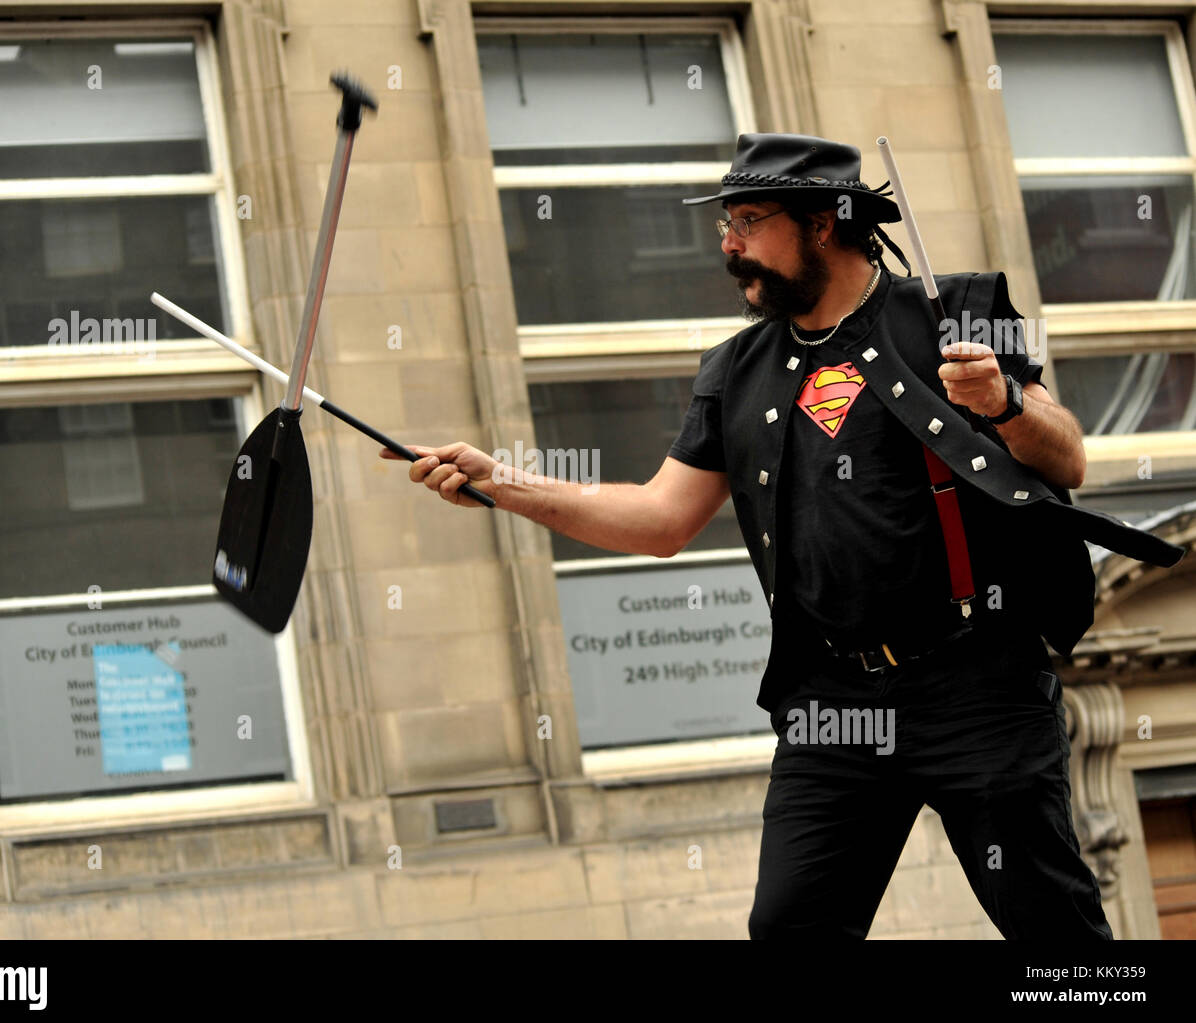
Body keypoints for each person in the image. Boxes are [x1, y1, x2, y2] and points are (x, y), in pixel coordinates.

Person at [381, 133, 1182, 941]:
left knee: (1054, 931)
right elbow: (660, 519)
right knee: (789, 929)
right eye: (725, 222)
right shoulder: (735, 370)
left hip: (976, 684)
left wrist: (1005, 399)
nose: (728, 244)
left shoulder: (958, 308)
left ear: (824, 223)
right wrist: (503, 483)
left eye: (749, 220)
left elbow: (1067, 456)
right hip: (833, 702)